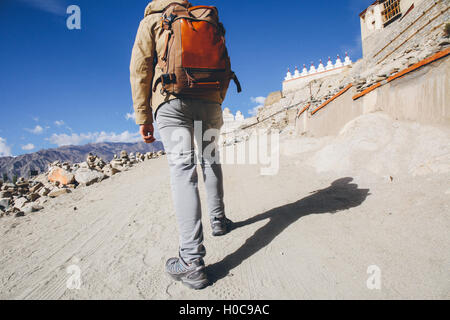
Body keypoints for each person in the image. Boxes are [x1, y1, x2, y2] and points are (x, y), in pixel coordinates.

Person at [130, 0, 233, 290]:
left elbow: (140, 69)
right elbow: (225, 62)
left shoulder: (153, 19)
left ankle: (191, 262)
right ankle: (218, 221)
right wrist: (215, 100)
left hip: (171, 100)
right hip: (210, 99)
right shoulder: (204, 17)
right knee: (210, 160)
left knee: (183, 170)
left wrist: (144, 115)